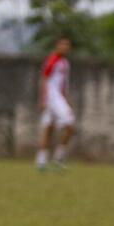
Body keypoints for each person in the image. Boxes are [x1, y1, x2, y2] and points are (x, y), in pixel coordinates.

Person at [36, 38, 75, 171]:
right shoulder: (52, 60)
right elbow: (44, 79)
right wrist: (43, 99)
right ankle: (57, 158)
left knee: (49, 128)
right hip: (52, 99)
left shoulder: (65, 63)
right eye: (63, 45)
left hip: (59, 98)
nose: (65, 48)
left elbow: (63, 83)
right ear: (57, 46)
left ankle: (42, 161)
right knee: (69, 125)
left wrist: (67, 98)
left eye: (67, 45)